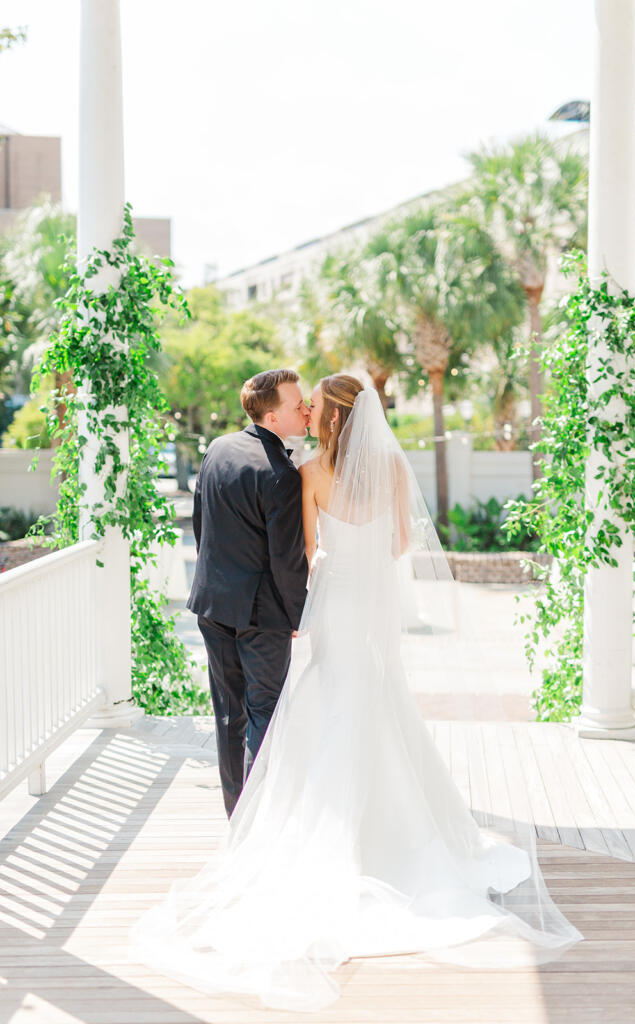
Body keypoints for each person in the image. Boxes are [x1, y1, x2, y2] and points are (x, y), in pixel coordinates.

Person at [132, 374, 581, 1010]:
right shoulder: (394, 471)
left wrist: (318, 582)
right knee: (379, 697)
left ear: (329, 419)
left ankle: (264, 821)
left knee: (315, 699)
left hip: (335, 601)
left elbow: (307, 552)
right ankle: (393, 827)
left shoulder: (310, 473)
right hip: (374, 603)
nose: (308, 413)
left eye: (314, 406)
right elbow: (400, 543)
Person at [186, 368, 309, 816]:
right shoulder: (282, 474)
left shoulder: (217, 448)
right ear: (274, 417)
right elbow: (287, 560)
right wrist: (298, 616)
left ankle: (237, 817)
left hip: (212, 604)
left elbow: (203, 526)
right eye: (299, 406)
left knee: (228, 716)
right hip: (262, 616)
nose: (307, 410)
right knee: (267, 717)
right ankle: (262, 825)